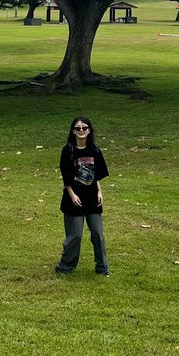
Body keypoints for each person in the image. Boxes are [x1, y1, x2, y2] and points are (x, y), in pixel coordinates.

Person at [55, 115, 110, 276]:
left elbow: (97, 174)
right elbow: (66, 177)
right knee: (75, 235)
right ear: (73, 131)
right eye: (78, 128)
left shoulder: (95, 149)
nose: (81, 131)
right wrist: (72, 195)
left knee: (98, 234)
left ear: (89, 130)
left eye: (84, 128)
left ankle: (102, 267)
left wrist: (99, 191)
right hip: (74, 199)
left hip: (92, 198)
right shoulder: (68, 151)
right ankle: (65, 266)